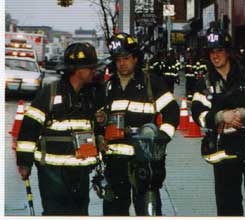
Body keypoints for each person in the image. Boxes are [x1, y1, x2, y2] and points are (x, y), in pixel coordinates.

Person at [191, 28, 245, 216]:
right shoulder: (204, 84)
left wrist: (244, 113)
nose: (215, 56)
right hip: (225, 151)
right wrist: (221, 116)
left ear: (228, 52)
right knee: (228, 206)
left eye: (219, 50)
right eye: (212, 52)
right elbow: (198, 112)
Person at [16, 42, 103, 215]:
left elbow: (95, 127)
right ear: (77, 70)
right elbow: (29, 128)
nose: (94, 71)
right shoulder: (50, 94)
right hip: (53, 173)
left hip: (80, 171)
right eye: (90, 67)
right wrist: (24, 163)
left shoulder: (90, 95)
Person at [98, 32, 179, 216]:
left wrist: (161, 138)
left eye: (126, 58)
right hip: (114, 163)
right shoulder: (108, 87)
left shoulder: (152, 83)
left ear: (135, 58)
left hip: (144, 161)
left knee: (148, 211)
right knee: (114, 212)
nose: (122, 63)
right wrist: (99, 132)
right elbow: (97, 120)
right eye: (118, 59)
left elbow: (172, 113)